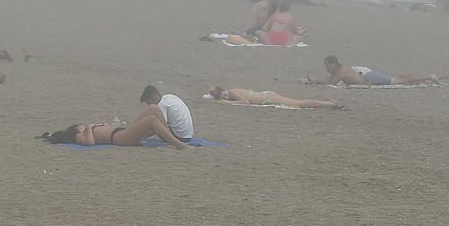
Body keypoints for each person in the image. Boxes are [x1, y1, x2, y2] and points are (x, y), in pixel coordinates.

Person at [39, 103, 192, 146]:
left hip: (122, 131)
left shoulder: (84, 130)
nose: (80, 125)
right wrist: (89, 129)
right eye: (78, 125)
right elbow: (91, 143)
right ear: (74, 129)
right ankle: (178, 144)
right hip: (119, 138)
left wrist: (101, 124)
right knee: (151, 120)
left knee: (153, 108)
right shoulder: (79, 136)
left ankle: (169, 137)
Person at [312, 55, 443, 86]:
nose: (326, 69)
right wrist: (313, 80)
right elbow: (328, 79)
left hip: (370, 78)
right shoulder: (340, 70)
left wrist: (316, 82)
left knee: (399, 80)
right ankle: (425, 76)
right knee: (399, 77)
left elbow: (331, 83)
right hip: (366, 73)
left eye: (327, 66)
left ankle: (429, 77)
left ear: (334, 65)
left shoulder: (341, 71)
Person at [203, 86, 343, 109]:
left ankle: (329, 104)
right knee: (298, 103)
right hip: (266, 96)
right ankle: (327, 103)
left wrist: (227, 103)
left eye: (225, 95)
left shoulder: (232, 91)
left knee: (299, 104)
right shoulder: (232, 93)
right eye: (224, 97)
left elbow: (245, 102)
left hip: (267, 98)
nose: (226, 97)